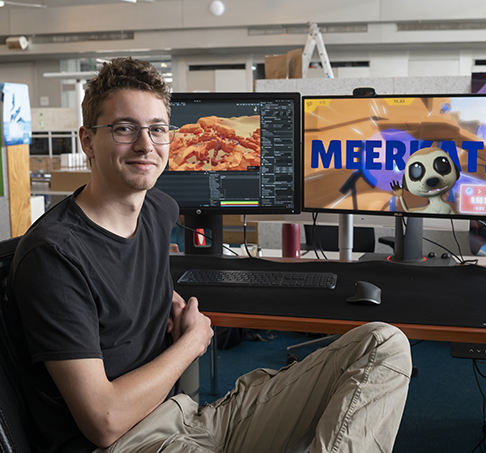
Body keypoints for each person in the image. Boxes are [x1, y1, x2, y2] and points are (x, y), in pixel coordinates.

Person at [7, 57, 412, 453]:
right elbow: (104, 420)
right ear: (87, 141)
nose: (145, 144)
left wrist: (168, 300)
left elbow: (126, 277)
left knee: (383, 343)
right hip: (126, 442)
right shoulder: (54, 256)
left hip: (188, 419)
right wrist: (192, 341)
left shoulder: (157, 209)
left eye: (158, 129)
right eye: (124, 129)